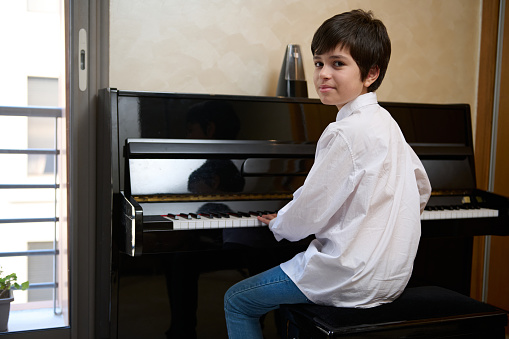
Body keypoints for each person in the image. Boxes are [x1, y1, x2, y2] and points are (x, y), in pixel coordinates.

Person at [223, 9, 432, 339]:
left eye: (338, 63)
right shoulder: (387, 123)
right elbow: (421, 188)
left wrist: (280, 221)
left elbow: (310, 210)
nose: (323, 74)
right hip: (391, 277)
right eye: (319, 62)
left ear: (371, 73)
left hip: (349, 278)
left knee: (237, 299)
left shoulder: (344, 132)